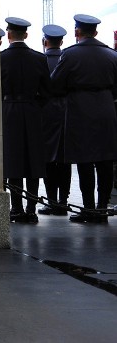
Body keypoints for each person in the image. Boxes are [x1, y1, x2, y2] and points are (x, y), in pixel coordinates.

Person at [50, 14, 117, 223]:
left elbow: (55, 85)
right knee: (105, 159)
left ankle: (88, 208)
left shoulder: (70, 55)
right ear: (95, 32)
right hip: (106, 108)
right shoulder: (111, 55)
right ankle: (102, 208)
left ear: (77, 32)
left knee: (84, 160)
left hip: (80, 109)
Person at [0, 17, 50, 224]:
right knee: (32, 160)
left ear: (9, 35)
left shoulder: (0, 58)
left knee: (14, 160)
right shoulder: (39, 59)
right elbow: (48, 91)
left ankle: (16, 208)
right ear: (26, 35)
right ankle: (31, 209)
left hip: (9, 110)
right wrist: (35, 105)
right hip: (31, 111)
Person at [38, 24, 72, 216]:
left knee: (48, 160)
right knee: (65, 159)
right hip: (67, 112)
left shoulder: (40, 60)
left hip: (46, 114)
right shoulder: (68, 58)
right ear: (61, 42)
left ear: (45, 41)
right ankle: (63, 201)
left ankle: (51, 201)